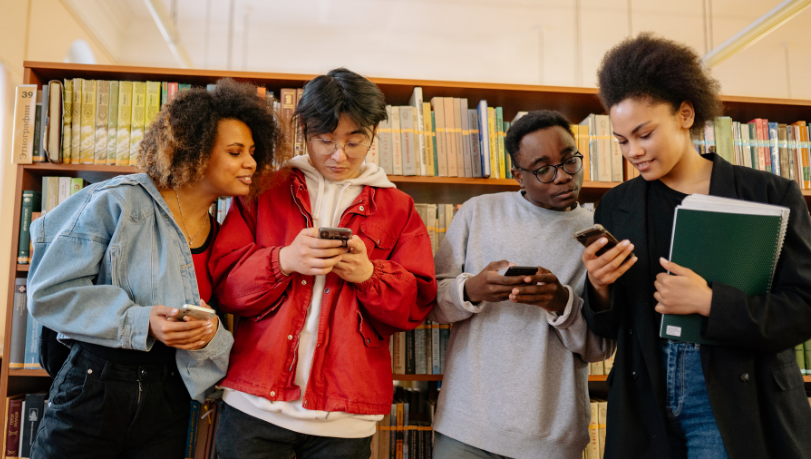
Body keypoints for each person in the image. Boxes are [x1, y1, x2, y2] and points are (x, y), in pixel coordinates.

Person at [26, 78, 285, 459]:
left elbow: (220, 322)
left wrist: (210, 331)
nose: (251, 162)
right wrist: (144, 321)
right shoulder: (115, 201)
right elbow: (50, 293)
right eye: (235, 152)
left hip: (171, 395)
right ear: (193, 150)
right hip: (94, 386)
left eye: (252, 151)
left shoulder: (226, 235)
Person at [581, 33, 811, 459]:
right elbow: (605, 329)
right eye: (622, 140)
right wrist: (598, 287)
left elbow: (802, 308)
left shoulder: (768, 193)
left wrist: (710, 302)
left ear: (685, 113)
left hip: (736, 399)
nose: (633, 151)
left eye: (644, 134)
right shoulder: (616, 206)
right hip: (644, 399)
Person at [209, 68, 438, 459]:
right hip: (253, 406)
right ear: (304, 133)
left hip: (346, 417)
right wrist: (284, 260)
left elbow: (415, 306)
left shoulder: (398, 207)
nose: (339, 155)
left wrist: (370, 275)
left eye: (355, 141)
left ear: (373, 136)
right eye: (324, 140)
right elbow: (225, 288)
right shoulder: (265, 189)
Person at [429, 110, 615, 459]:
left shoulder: (597, 235)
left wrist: (561, 303)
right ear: (518, 175)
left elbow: (599, 348)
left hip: (551, 438)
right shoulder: (477, 212)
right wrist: (471, 291)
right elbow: (432, 305)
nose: (562, 177)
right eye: (543, 169)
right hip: (467, 426)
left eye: (570, 161)